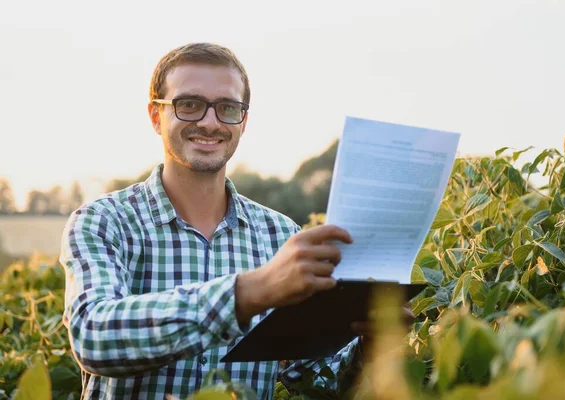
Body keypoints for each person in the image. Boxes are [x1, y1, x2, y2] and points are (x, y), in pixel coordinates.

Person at [60, 42, 363, 400]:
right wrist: (249, 292)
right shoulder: (103, 222)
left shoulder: (280, 234)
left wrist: (369, 346)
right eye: (189, 105)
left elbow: (312, 377)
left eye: (227, 108)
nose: (209, 122)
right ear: (156, 116)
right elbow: (94, 337)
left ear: (243, 120)